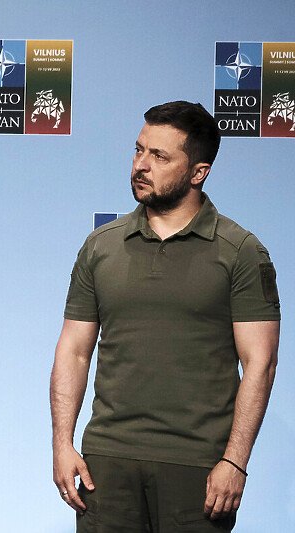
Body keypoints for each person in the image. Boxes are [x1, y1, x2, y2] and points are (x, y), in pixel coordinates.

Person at [50, 101, 280, 532]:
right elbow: (74, 350)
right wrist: (62, 443)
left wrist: (235, 460)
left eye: (159, 156)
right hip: (107, 465)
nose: (141, 165)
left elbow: (261, 364)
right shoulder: (100, 246)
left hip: (199, 469)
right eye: (139, 151)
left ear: (199, 172)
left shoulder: (241, 251)